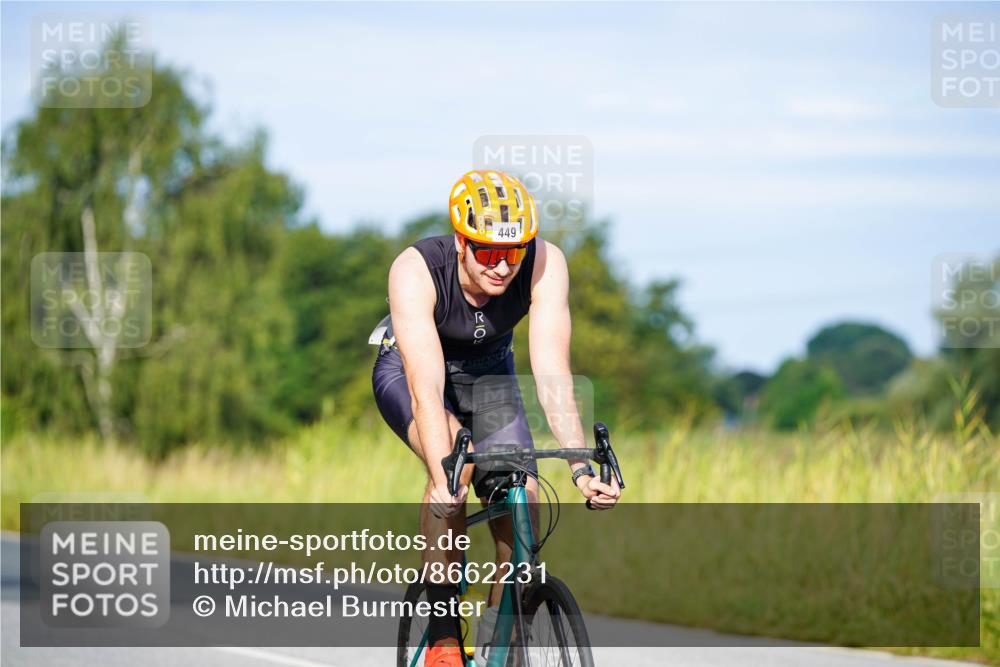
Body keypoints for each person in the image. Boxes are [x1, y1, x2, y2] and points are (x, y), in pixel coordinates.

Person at [371, 169, 621, 667]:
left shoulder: (546, 262)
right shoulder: (417, 269)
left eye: (514, 252)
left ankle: (497, 639)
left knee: (521, 495)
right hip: (414, 372)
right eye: (487, 251)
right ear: (461, 242)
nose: (503, 266)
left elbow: (552, 373)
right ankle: (442, 635)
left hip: (490, 380)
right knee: (457, 468)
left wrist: (579, 467)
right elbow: (426, 385)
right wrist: (443, 471)